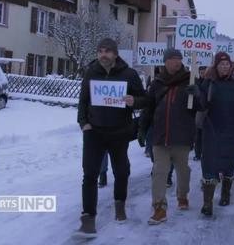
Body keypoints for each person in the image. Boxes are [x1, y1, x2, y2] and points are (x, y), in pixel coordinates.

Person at [75, 38, 147, 238]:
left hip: (119, 131)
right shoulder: (91, 72)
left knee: (121, 171)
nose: (103, 54)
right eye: (100, 51)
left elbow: (145, 99)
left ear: (115, 54)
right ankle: (88, 218)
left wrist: (135, 101)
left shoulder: (129, 74)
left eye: (107, 51)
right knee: (89, 174)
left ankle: (119, 205)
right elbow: (83, 100)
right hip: (94, 132)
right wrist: (84, 124)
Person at [139, 48, 204, 225]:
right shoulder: (158, 82)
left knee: (183, 170)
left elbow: (201, 106)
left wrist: (197, 95)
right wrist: (142, 129)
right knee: (159, 172)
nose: (177, 62)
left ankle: (182, 195)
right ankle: (159, 208)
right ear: (166, 61)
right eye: (173, 59)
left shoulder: (190, 80)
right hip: (160, 137)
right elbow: (148, 107)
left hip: (182, 137)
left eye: (179, 59)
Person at [199, 52, 234, 217]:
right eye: (221, 64)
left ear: (231, 66)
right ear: (215, 66)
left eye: (227, 64)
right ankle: (207, 203)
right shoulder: (208, 81)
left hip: (232, 130)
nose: (224, 67)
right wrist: (195, 94)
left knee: (229, 164)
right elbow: (201, 104)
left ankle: (225, 193)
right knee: (208, 165)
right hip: (212, 129)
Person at [193, 66, 208, 161]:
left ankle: (205, 153)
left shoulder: (210, 82)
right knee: (198, 134)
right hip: (198, 110)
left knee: (206, 134)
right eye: (201, 72)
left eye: (204, 72)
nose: (203, 74)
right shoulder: (196, 82)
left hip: (208, 110)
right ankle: (197, 153)